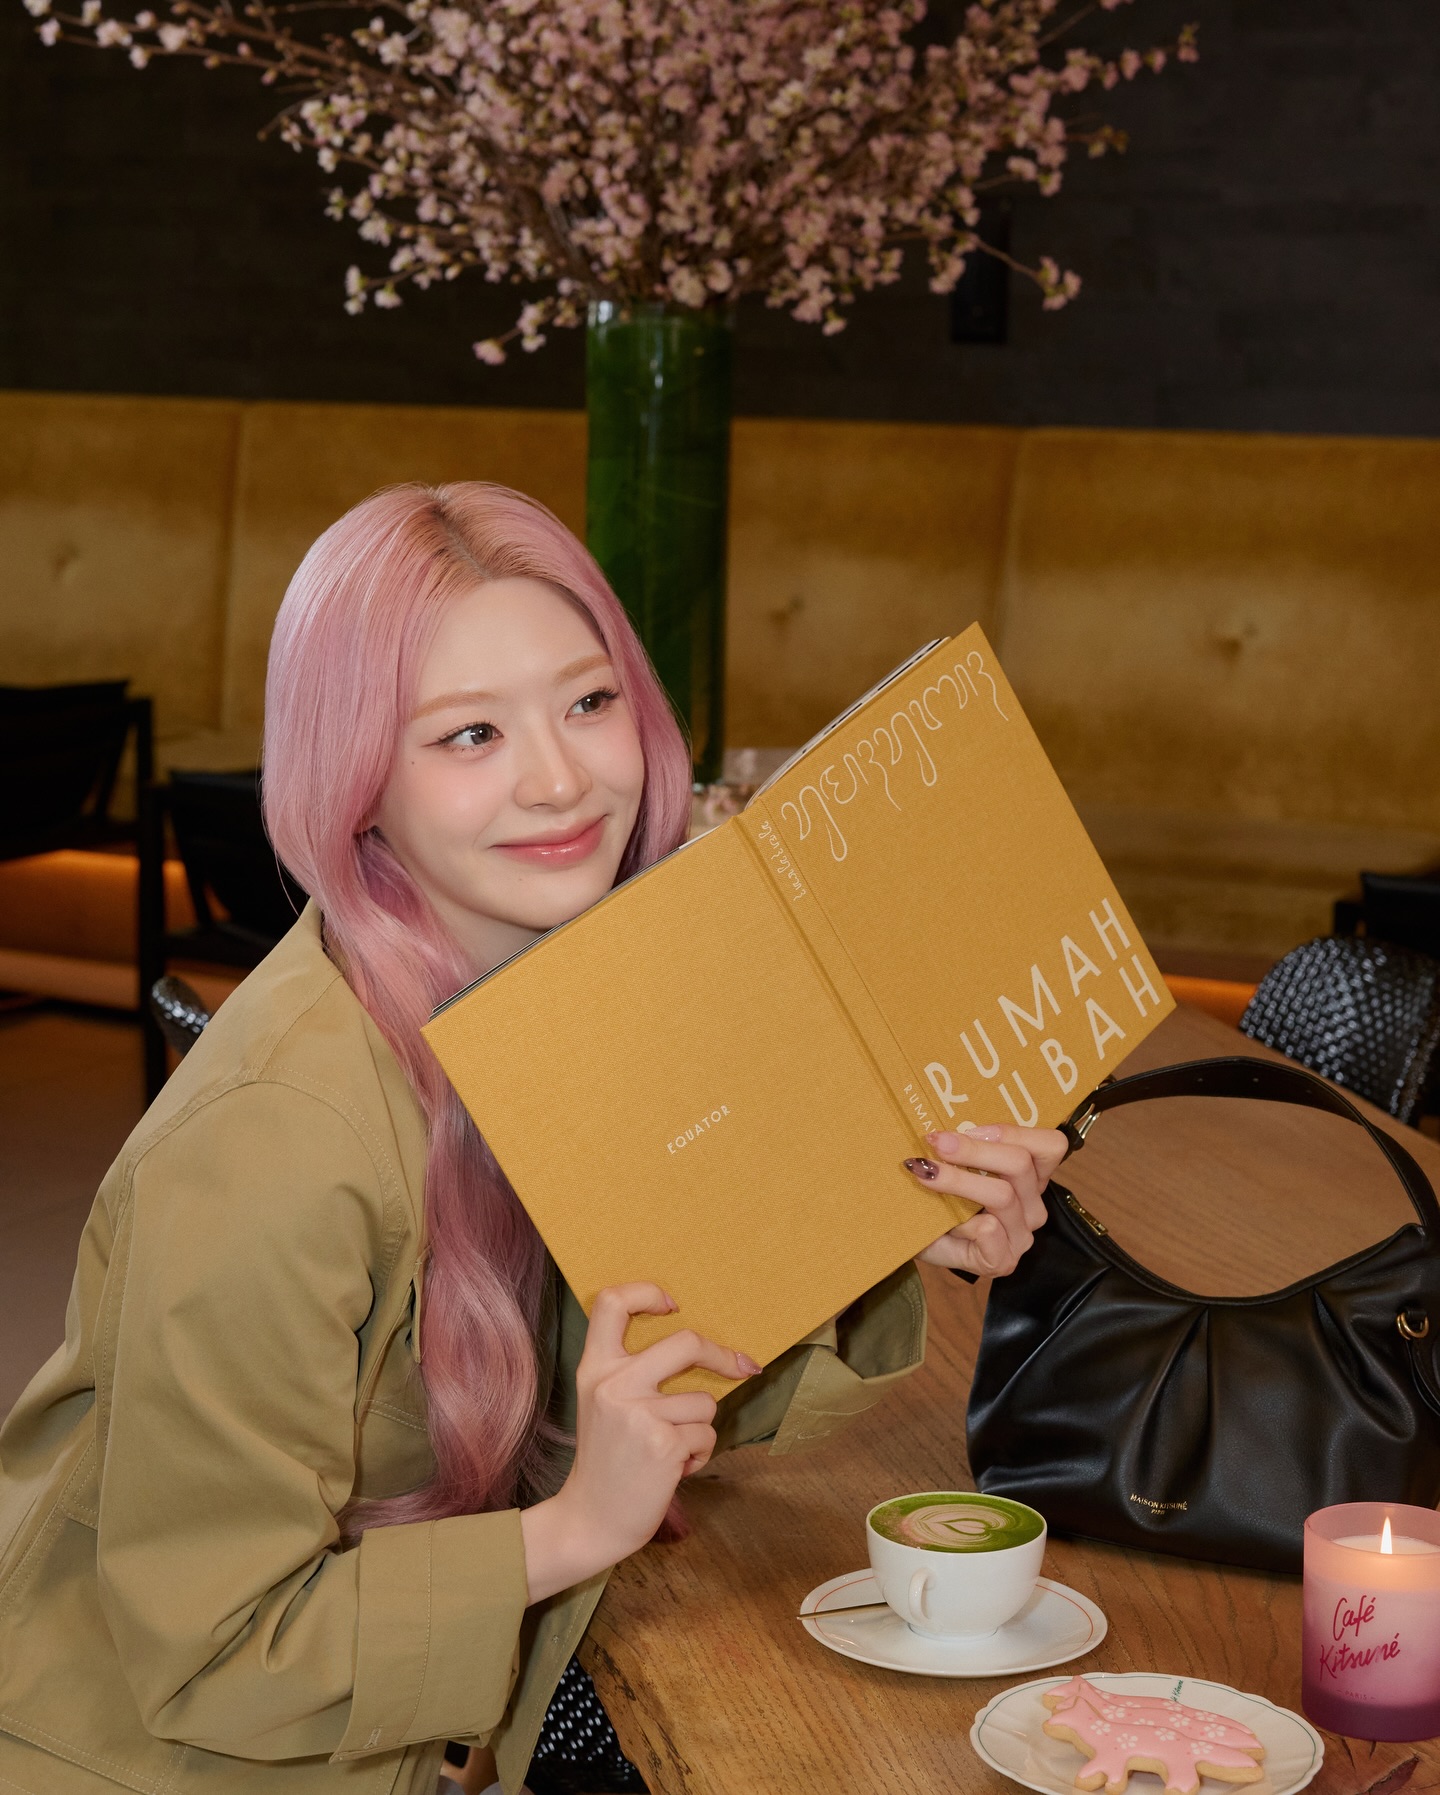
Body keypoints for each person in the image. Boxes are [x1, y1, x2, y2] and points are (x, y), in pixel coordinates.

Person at [0, 484, 1065, 1795]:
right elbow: (214, 1655)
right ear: (355, 782)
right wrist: (573, 1528)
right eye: (470, 734)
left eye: (590, 701)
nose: (560, 780)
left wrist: (887, 1217)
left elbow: (676, 1375)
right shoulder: (274, 1144)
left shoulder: (565, 994)